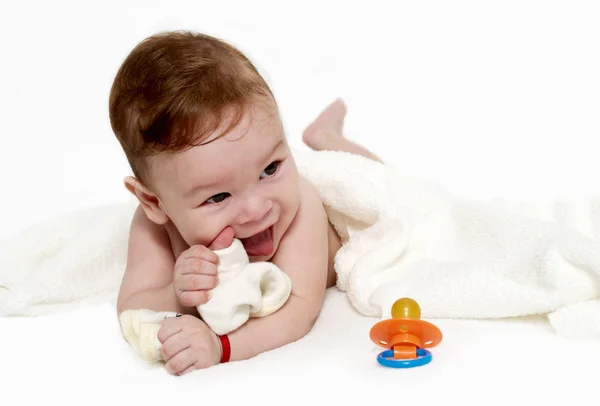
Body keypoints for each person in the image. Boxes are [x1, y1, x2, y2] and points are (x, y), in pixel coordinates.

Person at [108, 30, 381, 376]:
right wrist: (178, 293)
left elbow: (299, 310)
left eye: (271, 168)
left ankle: (328, 139)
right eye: (218, 196)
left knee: (374, 177)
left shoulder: (303, 209)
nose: (257, 210)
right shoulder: (153, 226)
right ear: (154, 202)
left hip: (337, 207)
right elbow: (132, 304)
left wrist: (220, 347)